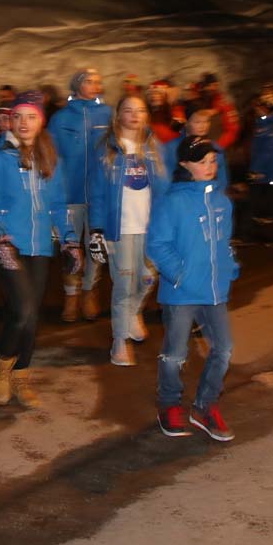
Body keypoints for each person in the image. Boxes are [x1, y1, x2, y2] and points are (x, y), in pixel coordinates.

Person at [0, 90, 82, 408]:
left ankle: (21, 374)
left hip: (40, 246)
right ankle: (0, 365)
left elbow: (59, 205)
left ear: (41, 121)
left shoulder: (50, 157)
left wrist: (70, 239)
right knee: (22, 309)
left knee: (31, 316)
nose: (23, 122)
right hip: (8, 245)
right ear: (10, 120)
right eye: (18, 116)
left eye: (31, 116)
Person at [147, 135, 239, 441]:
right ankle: (169, 403)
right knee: (175, 353)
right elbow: (157, 244)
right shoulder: (172, 202)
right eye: (202, 162)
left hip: (214, 290)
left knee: (223, 349)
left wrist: (229, 266)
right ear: (185, 165)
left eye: (213, 161)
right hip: (182, 291)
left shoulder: (222, 202)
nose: (210, 166)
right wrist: (180, 275)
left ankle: (204, 406)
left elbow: (224, 242)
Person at [88, 95, 169, 366]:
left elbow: (164, 190)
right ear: (118, 115)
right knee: (123, 285)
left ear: (146, 115)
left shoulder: (154, 147)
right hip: (119, 229)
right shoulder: (107, 149)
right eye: (128, 110)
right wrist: (97, 230)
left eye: (140, 110)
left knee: (147, 278)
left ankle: (134, 313)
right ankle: (120, 341)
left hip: (149, 228)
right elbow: (97, 193)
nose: (134, 115)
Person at [48, 68, 112, 322]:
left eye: (98, 81)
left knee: (95, 245)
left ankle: (89, 290)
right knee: (71, 246)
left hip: (99, 193)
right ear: (76, 85)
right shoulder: (61, 118)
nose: (95, 85)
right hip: (70, 192)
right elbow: (51, 155)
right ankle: (71, 294)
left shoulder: (108, 114)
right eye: (89, 81)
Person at [246, 86, 273, 247]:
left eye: (259, 106)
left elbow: (268, 151)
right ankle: (266, 235)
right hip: (267, 172)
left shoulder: (270, 126)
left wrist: (256, 170)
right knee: (267, 204)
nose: (256, 109)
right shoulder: (264, 123)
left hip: (270, 173)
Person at [197, 72, 241, 151]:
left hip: (220, 146)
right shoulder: (198, 101)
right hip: (203, 147)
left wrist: (218, 145)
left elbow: (233, 129)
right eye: (211, 85)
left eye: (216, 85)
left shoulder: (223, 102)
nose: (214, 88)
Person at [146, 79, 186, 144]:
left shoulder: (176, 110)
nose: (154, 96)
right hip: (153, 146)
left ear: (166, 96)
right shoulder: (147, 112)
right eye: (152, 94)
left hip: (171, 146)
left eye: (158, 94)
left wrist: (171, 104)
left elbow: (177, 127)